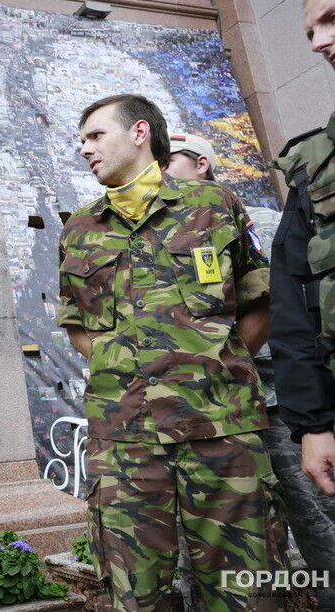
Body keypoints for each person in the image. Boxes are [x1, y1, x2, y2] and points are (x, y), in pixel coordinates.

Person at [59, 94, 285, 611]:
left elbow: (258, 301)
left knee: (244, 590)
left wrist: (215, 367)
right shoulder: (80, 229)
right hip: (124, 440)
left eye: (95, 135)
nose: (84, 148)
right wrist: (130, 378)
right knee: (135, 594)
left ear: (139, 133)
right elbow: (79, 327)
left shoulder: (214, 205)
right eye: (82, 139)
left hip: (221, 429)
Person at [167, 136, 335, 607]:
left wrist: (227, 361)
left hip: (277, 405)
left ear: (202, 164)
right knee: (227, 538)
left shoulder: (257, 222)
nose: (159, 170)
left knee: (318, 521)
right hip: (208, 414)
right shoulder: (157, 236)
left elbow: (291, 307)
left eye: (170, 160)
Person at [269, 0, 335, 502]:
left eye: (331, 19)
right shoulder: (314, 164)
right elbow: (292, 300)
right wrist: (314, 424)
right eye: (311, 31)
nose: (318, 43)